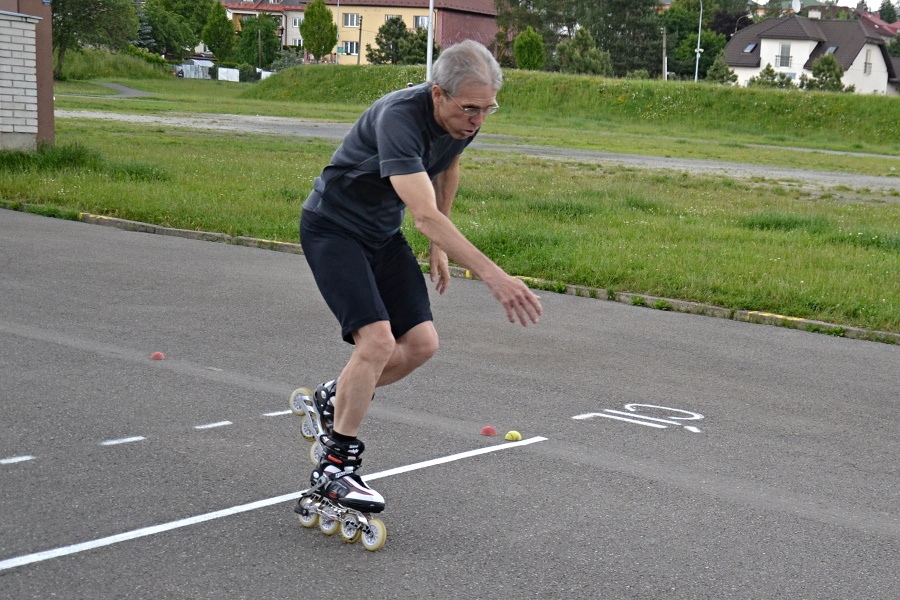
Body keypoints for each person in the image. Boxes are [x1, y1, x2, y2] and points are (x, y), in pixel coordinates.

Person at [298, 40, 543, 513]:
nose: (478, 120)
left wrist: (439, 247)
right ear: (437, 94)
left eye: (488, 109)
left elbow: (447, 168)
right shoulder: (399, 118)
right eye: (470, 108)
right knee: (376, 342)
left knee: (422, 344)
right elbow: (424, 215)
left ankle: (335, 395)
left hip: (381, 233)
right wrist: (494, 276)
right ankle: (333, 468)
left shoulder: (463, 121)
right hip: (334, 228)